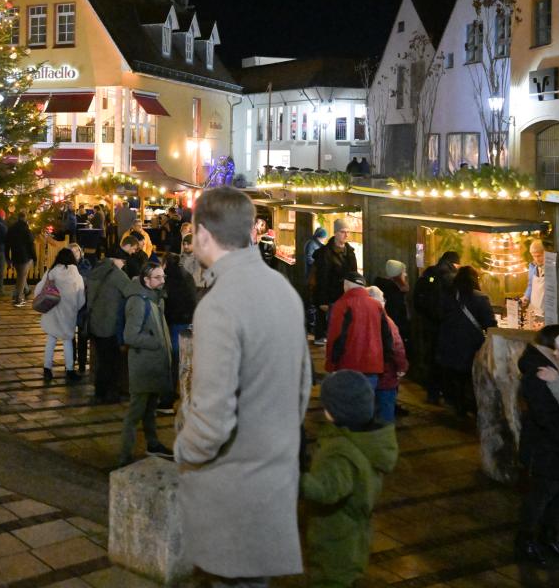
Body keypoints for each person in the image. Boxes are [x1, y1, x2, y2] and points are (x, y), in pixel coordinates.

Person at [175, 186, 311, 585]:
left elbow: (212, 417)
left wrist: (184, 449)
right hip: (275, 479)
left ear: (203, 234)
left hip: (233, 486)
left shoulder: (219, 304)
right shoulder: (283, 290)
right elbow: (303, 386)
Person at [301, 370, 399, 587]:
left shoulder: (342, 452)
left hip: (335, 541)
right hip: (352, 536)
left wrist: (294, 480)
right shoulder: (363, 442)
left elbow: (326, 490)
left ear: (333, 411)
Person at [515, 324, 559, 567]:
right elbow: (544, 413)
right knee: (541, 495)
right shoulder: (537, 370)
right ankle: (526, 543)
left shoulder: (554, 365)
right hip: (546, 444)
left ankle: (549, 537)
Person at [118, 261, 173, 466]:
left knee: (150, 409)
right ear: (146, 280)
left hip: (154, 364)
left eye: (163, 276)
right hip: (143, 365)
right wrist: (156, 342)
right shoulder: (138, 301)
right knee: (135, 413)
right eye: (158, 277)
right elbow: (130, 336)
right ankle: (124, 457)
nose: (162, 281)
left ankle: (152, 443)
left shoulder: (155, 298)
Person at [438, 265, 496, 415]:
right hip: (471, 344)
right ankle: (473, 406)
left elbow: (439, 316)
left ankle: (458, 405)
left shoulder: (447, 296)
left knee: (456, 376)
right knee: (471, 376)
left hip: (449, 341)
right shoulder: (481, 298)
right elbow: (489, 324)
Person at [85, 247, 134, 404]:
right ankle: (109, 394)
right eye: (123, 261)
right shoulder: (117, 275)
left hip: (94, 322)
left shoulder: (97, 269)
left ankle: (100, 391)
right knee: (111, 361)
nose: (124, 264)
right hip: (109, 324)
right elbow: (130, 291)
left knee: (102, 359)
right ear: (116, 260)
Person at [414, 250, 460, 404]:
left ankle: (433, 394)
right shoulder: (452, 277)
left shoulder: (429, 273)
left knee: (433, 359)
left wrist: (426, 316)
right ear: (454, 263)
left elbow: (417, 299)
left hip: (429, 324)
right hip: (446, 326)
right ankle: (449, 396)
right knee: (446, 361)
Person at [325, 270, 386, 385]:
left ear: (346, 285)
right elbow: (387, 336)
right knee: (367, 401)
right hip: (373, 365)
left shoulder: (341, 305)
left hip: (348, 365)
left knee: (347, 401)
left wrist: (331, 364)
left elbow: (336, 336)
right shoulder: (377, 305)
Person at [37, 248, 86, 382]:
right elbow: (81, 298)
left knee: (51, 340)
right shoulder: (77, 276)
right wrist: (74, 308)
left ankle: (47, 369)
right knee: (67, 341)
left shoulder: (51, 273)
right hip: (68, 314)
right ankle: (70, 370)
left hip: (52, 311)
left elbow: (38, 290)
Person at [159, 250, 198, 411]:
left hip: (175, 325)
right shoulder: (187, 276)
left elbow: (168, 305)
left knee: (173, 362)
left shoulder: (168, 281)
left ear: (166, 264)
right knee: (186, 363)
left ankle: (168, 400)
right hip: (189, 323)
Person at [310, 218, 359, 346]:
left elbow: (354, 275)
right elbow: (322, 278)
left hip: (345, 294)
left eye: (348, 232)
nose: (346, 235)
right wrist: (322, 300)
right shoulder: (324, 253)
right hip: (329, 293)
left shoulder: (350, 252)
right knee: (327, 324)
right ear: (336, 232)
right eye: (343, 231)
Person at [366, 284, 410, 423]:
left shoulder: (362, 321)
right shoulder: (387, 322)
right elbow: (397, 347)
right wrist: (402, 367)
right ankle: (383, 439)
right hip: (386, 374)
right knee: (385, 411)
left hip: (367, 375)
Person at [373, 259, 410, 355]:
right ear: (398, 274)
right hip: (393, 336)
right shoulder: (394, 293)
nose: (405, 275)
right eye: (403, 272)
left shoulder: (384, 289)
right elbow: (396, 317)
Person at [69, 243, 92, 373]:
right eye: (71, 252)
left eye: (76, 252)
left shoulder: (86, 264)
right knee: (70, 336)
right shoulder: (63, 267)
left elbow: (86, 280)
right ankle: (71, 361)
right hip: (69, 307)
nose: (74, 255)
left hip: (83, 306)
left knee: (83, 336)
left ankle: (82, 363)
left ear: (80, 252)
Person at [5, 211, 36, 307]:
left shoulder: (11, 229)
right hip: (25, 256)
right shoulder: (26, 229)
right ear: (25, 218)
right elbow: (31, 244)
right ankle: (18, 298)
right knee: (22, 277)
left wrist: (8, 258)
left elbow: (7, 244)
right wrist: (34, 257)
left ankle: (24, 291)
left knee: (20, 275)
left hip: (15, 255)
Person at [521, 240, 547, 320]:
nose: (536, 259)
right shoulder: (532, 267)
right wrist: (526, 296)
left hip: (546, 309)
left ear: (545, 253)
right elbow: (530, 285)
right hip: (534, 308)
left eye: (539, 256)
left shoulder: (551, 268)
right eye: (534, 256)